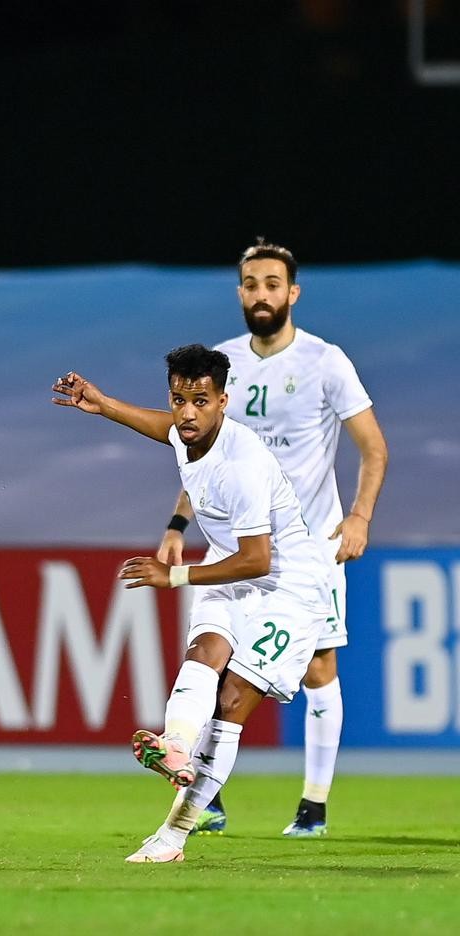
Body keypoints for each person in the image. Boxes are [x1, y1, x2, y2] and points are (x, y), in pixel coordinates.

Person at [52, 345, 330, 863]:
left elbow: (258, 559)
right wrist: (104, 404)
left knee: (232, 702)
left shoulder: (242, 465)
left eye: (200, 401)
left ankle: (173, 837)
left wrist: (174, 575)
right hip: (231, 565)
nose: (186, 413)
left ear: (223, 401)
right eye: (179, 399)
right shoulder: (187, 434)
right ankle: (176, 745)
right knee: (205, 652)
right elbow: (164, 429)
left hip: (288, 587)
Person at [157, 240, 388, 837]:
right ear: (240, 292)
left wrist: (359, 517)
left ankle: (313, 806)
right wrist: (178, 524)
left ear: (293, 292)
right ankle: (205, 797)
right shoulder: (223, 365)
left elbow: (373, 447)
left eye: (272, 284)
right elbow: (204, 452)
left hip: (309, 548)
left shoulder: (325, 361)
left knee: (318, 668)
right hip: (241, 544)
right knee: (215, 656)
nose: (261, 294)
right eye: (252, 284)